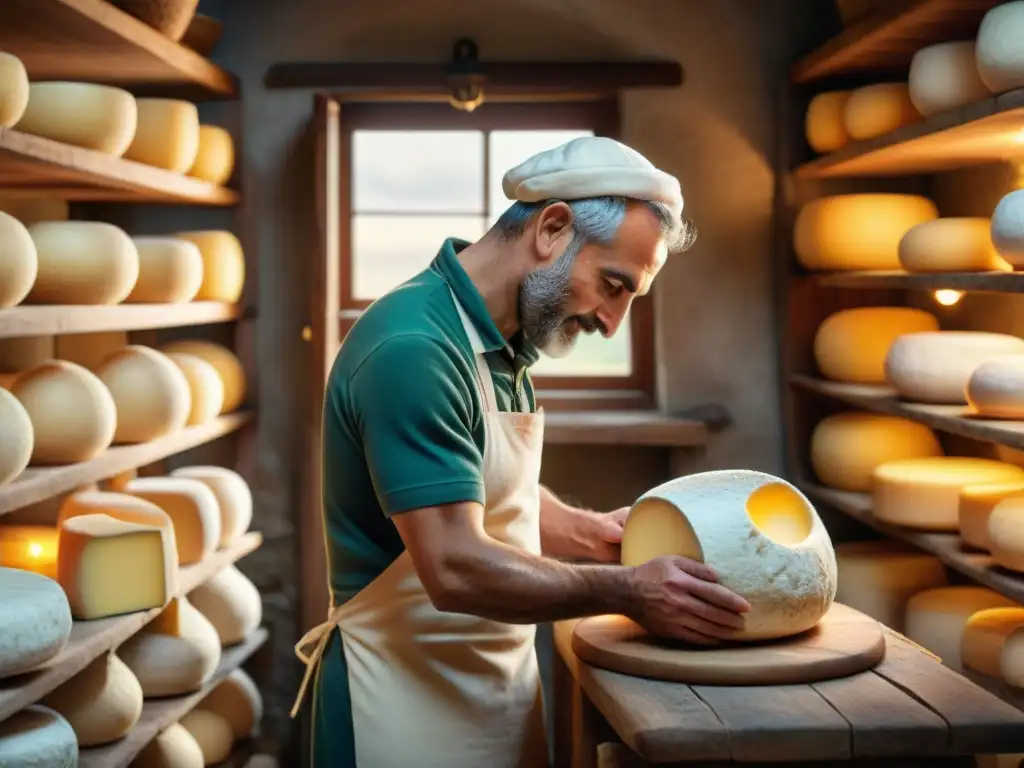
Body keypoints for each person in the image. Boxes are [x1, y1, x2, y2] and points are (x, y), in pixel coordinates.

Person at [290, 136, 752, 767]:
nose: (611, 322)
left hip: (487, 697)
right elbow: (453, 563)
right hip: (395, 713)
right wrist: (627, 591)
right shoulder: (415, 349)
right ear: (553, 228)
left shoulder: (502, 345)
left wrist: (591, 533)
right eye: (612, 286)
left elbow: (474, 487)